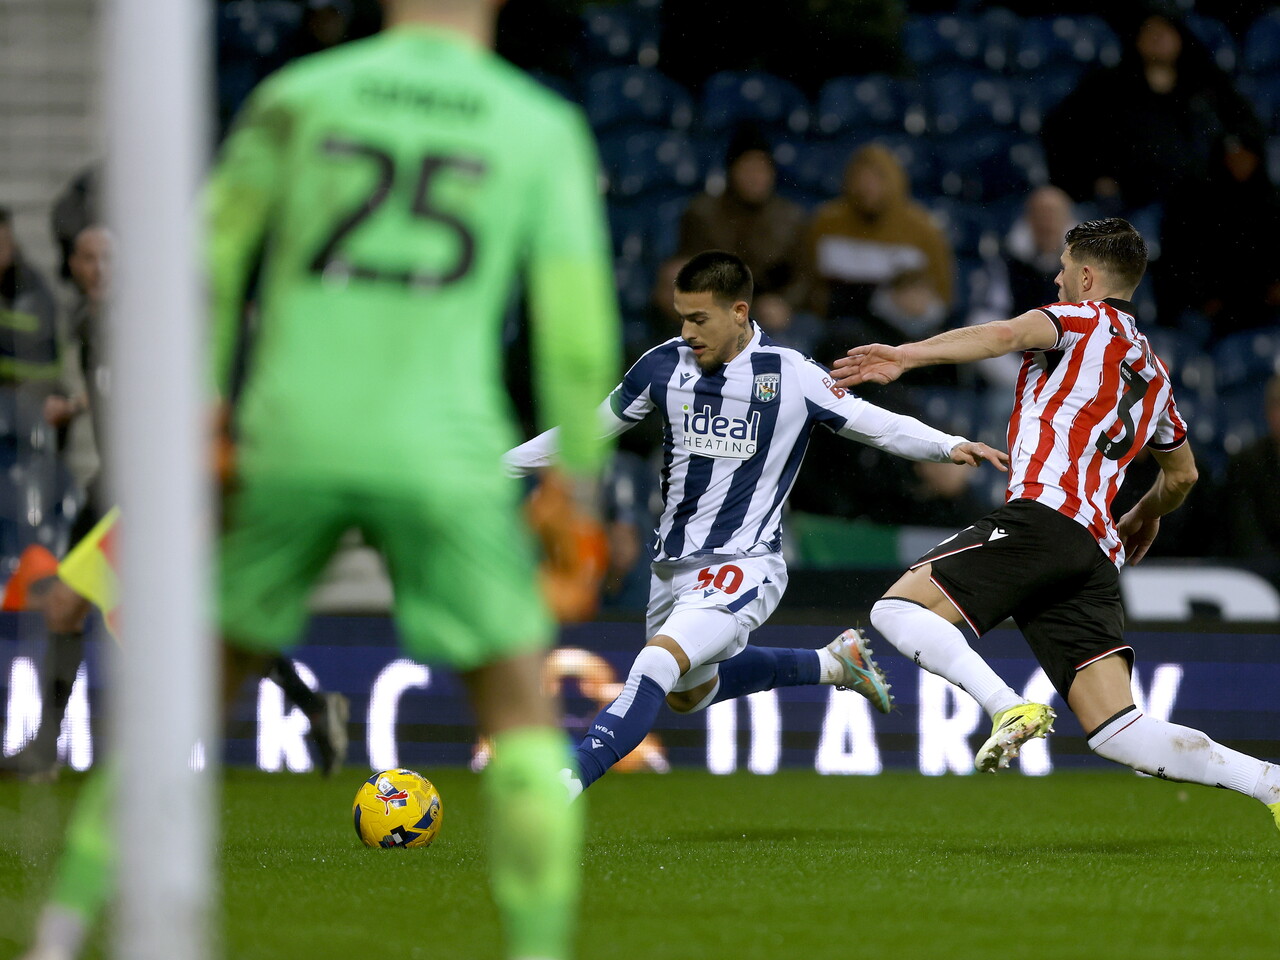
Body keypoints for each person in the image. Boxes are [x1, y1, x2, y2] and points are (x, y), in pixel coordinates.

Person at [22, 1, 622, 959]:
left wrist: (199, 414)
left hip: (293, 434)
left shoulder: (297, 97)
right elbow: (577, 327)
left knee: (180, 697)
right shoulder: (536, 126)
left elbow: (204, 266)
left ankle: (58, 934)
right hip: (446, 450)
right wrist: (579, 492)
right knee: (517, 716)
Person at [505, 250, 1009, 798]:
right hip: (672, 565)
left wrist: (948, 444)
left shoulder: (790, 374)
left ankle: (565, 782)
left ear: (739, 312)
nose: (687, 331)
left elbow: (874, 425)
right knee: (686, 694)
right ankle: (833, 664)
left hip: (745, 564)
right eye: (681, 317)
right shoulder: (661, 365)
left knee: (656, 662)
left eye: (699, 319)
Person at [833, 218, 1280, 831]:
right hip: (1093, 549)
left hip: (1044, 517)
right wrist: (1142, 516)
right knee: (1121, 732)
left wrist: (906, 355)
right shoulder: (1154, 374)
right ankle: (1268, 781)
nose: (1055, 277)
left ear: (1089, 277)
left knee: (895, 611)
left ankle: (1006, 706)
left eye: (1064, 267)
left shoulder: (1080, 320)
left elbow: (1002, 334)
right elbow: (1183, 477)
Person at [799, 142, 954, 328]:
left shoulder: (923, 229)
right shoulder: (825, 222)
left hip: (899, 329)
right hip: (832, 325)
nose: (867, 186)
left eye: (878, 178)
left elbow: (941, 294)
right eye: (860, 177)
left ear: (895, 180)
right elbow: (805, 280)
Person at [678, 124, 806, 340]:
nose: (756, 177)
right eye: (748, 168)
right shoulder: (702, 214)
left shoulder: (791, 217)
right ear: (732, 171)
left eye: (762, 169)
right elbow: (689, 274)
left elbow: (804, 277)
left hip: (775, 312)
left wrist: (785, 304)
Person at [966, 185, 1077, 388]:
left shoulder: (1087, 267)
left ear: (1067, 219)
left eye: (1054, 214)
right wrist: (1023, 379)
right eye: (1040, 214)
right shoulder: (1006, 262)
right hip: (1016, 372)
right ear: (1028, 219)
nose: (1047, 222)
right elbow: (985, 318)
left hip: (1074, 371)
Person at [1223, 376, 1280, 576]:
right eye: (1277, 406)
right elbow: (1244, 531)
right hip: (1258, 572)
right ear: (1267, 412)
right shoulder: (1247, 463)